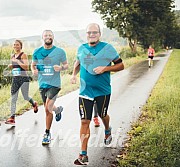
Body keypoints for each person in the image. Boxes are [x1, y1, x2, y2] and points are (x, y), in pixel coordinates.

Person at [71, 23, 124, 165]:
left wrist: (106, 68)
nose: (91, 34)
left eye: (94, 32)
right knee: (84, 121)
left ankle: (107, 129)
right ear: (86, 34)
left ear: (100, 34)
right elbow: (78, 62)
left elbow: (121, 65)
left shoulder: (108, 48)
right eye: (89, 32)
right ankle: (83, 154)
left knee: (102, 115)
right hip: (85, 91)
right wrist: (73, 75)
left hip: (103, 91)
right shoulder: (81, 49)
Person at [31, 30, 68, 145]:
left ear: (53, 37)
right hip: (42, 84)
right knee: (49, 108)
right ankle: (57, 110)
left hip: (55, 84)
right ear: (42, 37)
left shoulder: (60, 51)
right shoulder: (37, 51)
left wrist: (61, 68)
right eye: (46, 35)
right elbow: (33, 65)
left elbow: (66, 65)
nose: (48, 37)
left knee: (47, 108)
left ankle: (47, 133)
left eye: (50, 35)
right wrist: (34, 70)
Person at [5, 40, 38, 125]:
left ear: (21, 46)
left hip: (23, 78)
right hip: (15, 78)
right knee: (13, 98)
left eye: (17, 45)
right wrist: (11, 66)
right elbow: (15, 66)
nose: (16, 46)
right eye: (14, 45)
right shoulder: (12, 56)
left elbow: (26, 67)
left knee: (25, 96)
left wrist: (18, 61)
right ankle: (12, 117)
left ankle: (34, 103)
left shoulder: (23, 55)